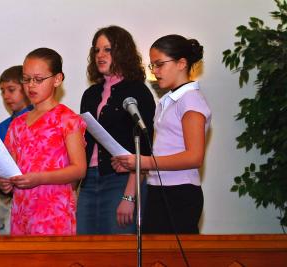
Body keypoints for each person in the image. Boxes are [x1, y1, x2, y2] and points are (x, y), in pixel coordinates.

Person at [112, 34, 212, 234]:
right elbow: (164, 150)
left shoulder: (190, 100)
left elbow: (194, 157)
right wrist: (132, 162)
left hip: (180, 192)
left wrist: (144, 162)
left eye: (160, 65)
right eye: (152, 66)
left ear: (181, 63)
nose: (155, 72)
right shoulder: (168, 101)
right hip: (158, 189)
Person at [0, 48, 87, 235]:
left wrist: (39, 178)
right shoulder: (18, 123)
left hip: (53, 211)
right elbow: (10, 166)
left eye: (38, 80)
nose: (31, 85)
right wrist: (5, 181)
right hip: (21, 210)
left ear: (57, 79)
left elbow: (79, 168)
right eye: (26, 79)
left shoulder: (67, 119)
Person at [77, 25, 156, 234]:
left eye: (107, 49)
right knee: (83, 249)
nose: (100, 55)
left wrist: (129, 196)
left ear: (122, 52)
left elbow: (144, 150)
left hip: (120, 182)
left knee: (117, 252)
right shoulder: (90, 94)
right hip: (88, 181)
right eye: (96, 50)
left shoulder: (138, 91)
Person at [0, 65, 32, 235]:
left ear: (27, 88)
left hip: (29, 199)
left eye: (11, 90)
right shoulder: (1, 128)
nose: (6, 96)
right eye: (2, 91)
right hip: (3, 196)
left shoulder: (37, 121)